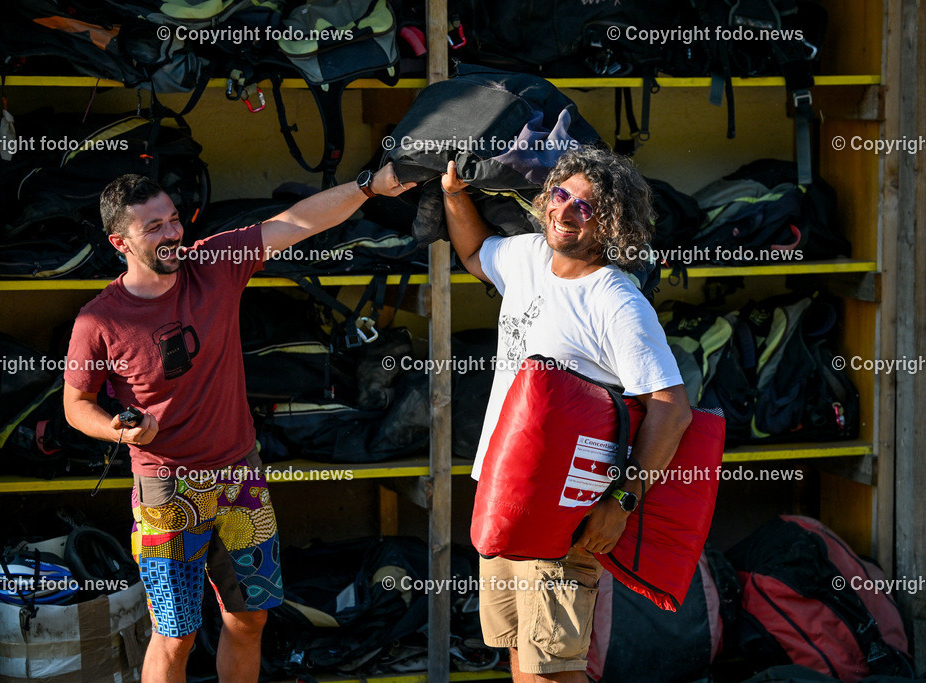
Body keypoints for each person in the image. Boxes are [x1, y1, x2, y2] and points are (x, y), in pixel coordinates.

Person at [63, 165, 414, 683]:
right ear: (120, 241)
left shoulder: (214, 264)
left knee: (249, 618)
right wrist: (120, 429)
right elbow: (76, 405)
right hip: (165, 487)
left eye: (174, 219)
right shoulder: (98, 320)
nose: (172, 234)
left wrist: (368, 186)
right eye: (153, 227)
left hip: (240, 479)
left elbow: (295, 223)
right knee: (176, 633)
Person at [442, 146, 693, 682]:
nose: (567, 211)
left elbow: (671, 410)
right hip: (502, 495)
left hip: (562, 512)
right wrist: (453, 196)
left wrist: (622, 502)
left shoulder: (616, 300)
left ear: (613, 222)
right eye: (561, 195)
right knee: (519, 656)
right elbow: (474, 253)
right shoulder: (529, 255)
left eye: (589, 206)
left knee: (552, 670)